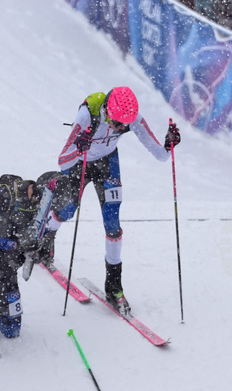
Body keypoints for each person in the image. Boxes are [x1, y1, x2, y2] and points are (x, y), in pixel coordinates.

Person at [55, 87, 181, 315]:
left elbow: (161, 155)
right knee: (68, 208)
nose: (121, 129)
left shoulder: (131, 118)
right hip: (80, 162)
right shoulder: (87, 115)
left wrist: (168, 144)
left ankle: (114, 286)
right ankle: (44, 242)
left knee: (113, 225)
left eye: (125, 126)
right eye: (117, 124)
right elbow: (63, 160)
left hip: (107, 163)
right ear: (107, 112)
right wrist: (79, 148)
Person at [0, 172, 75, 358]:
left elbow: (38, 238)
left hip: (6, 267)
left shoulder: (41, 208)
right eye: (45, 206)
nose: (42, 210)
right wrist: (17, 243)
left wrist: (39, 249)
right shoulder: (6, 192)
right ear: (39, 194)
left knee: (12, 330)